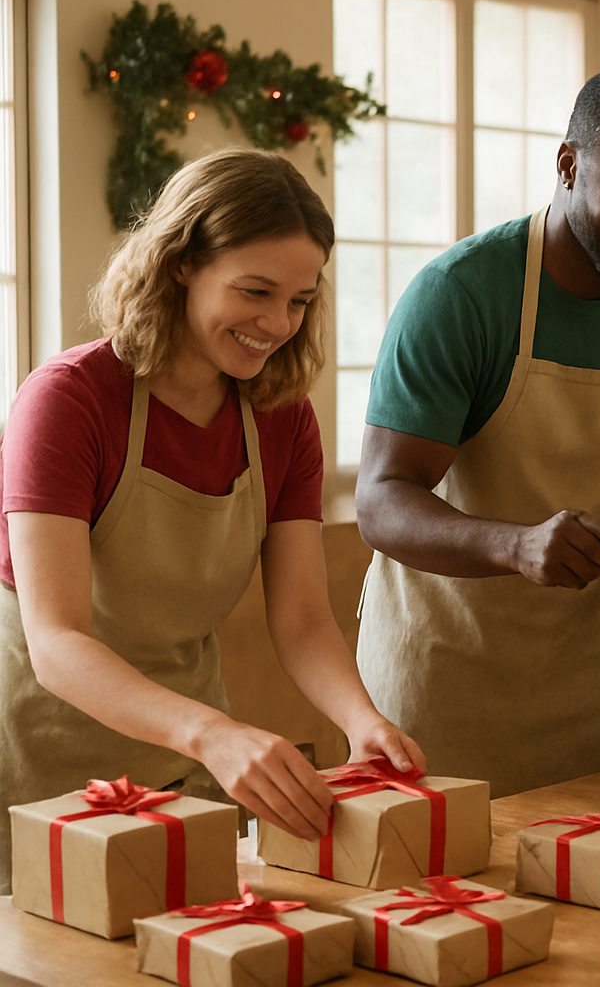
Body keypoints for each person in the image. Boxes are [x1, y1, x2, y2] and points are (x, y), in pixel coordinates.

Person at [0, 148, 423, 893]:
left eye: (299, 299)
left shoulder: (282, 420)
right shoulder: (68, 401)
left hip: (183, 754)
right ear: (179, 265)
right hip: (37, 743)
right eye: (255, 291)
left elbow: (300, 620)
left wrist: (363, 722)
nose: (278, 324)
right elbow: (58, 644)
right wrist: (213, 732)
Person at [354, 68, 600, 799]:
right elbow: (381, 501)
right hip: (437, 691)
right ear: (569, 165)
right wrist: (515, 545)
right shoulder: (460, 295)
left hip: (583, 698)